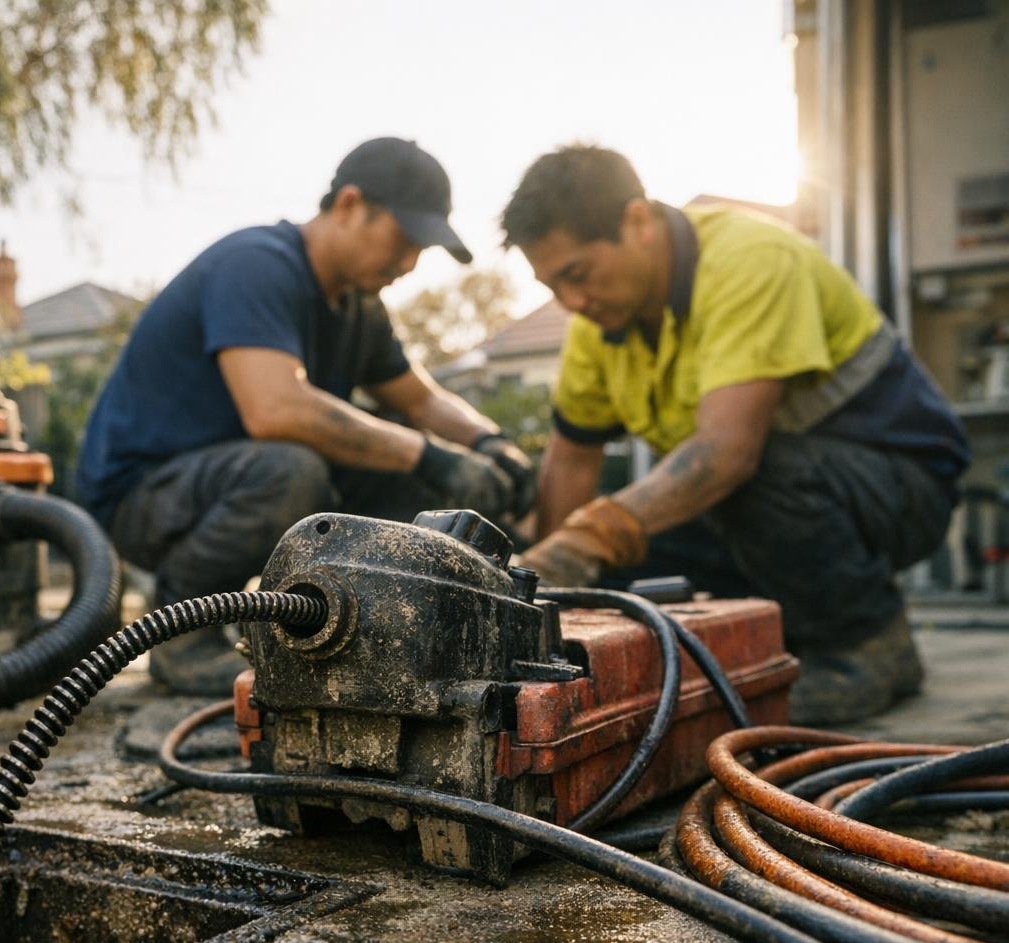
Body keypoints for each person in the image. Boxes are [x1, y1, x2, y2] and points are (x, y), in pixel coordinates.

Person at [501, 144, 970, 725]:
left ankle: (865, 648)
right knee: (624, 569)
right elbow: (571, 464)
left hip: (903, 488)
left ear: (638, 221)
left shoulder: (750, 259)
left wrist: (584, 540)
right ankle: (780, 644)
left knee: (742, 478)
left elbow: (725, 455)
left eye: (577, 274)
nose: (571, 303)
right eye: (553, 286)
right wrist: (538, 595)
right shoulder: (599, 328)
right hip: (778, 501)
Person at [77, 137, 534, 695]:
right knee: (293, 469)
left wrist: (490, 444)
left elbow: (420, 400)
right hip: (142, 496)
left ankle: (378, 630)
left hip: (227, 479)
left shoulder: (360, 307)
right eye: (403, 238)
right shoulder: (258, 265)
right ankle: (180, 635)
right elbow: (275, 409)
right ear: (348, 205)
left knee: (399, 469)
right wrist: (434, 455)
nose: (410, 263)